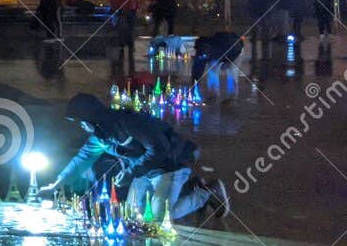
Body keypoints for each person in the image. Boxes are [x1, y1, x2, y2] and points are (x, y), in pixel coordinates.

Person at [43, 93, 227, 222]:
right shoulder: (100, 136)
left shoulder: (127, 123)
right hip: (144, 172)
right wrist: (57, 183)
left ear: (91, 118)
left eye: (81, 121)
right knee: (135, 217)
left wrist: (131, 172)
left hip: (171, 166)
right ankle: (189, 187)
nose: (81, 126)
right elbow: (82, 159)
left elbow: (159, 150)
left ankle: (205, 194)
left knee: (157, 220)